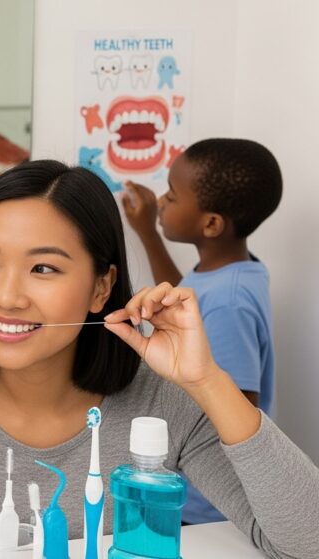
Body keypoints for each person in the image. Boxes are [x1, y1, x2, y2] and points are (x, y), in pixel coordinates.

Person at [0, 161, 318, 559]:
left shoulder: (163, 399)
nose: (6, 296)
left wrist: (205, 380)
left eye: (43, 269)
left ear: (101, 288)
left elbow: (306, 543)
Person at [122, 138, 281, 524]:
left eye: (172, 195)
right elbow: (183, 296)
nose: (161, 201)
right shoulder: (227, 272)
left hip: (207, 505)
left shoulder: (229, 302)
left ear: (211, 224)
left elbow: (238, 406)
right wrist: (148, 232)